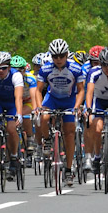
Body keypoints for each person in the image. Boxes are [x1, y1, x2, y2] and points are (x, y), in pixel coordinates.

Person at [34, 39, 85, 187]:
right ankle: (47, 140)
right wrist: (38, 106)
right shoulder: (46, 69)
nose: (58, 59)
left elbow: (81, 90)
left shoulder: (75, 68)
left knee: (69, 133)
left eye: (61, 56)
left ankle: (68, 169)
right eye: (55, 57)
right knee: (44, 116)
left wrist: (76, 107)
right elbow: (38, 90)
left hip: (69, 100)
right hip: (52, 99)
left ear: (67, 54)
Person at [0, 51, 24, 181]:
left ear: (9, 67)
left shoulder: (16, 75)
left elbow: (18, 97)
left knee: (12, 129)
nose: (0, 71)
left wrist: (19, 114)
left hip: (12, 104)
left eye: (4, 68)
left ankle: (13, 156)